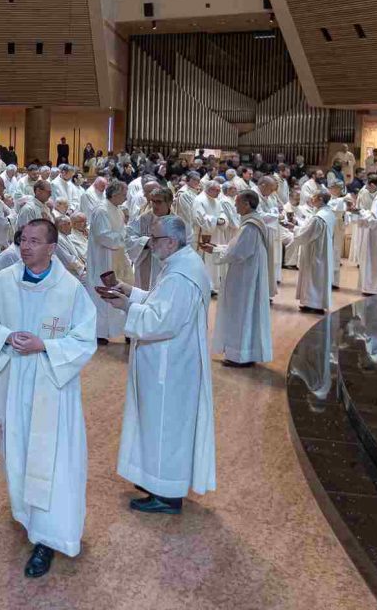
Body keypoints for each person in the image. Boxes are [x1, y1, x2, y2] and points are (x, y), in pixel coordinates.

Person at [0, 219, 98, 577]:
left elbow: (85, 340)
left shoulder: (70, 289)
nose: (26, 247)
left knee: (52, 458)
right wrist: (6, 337)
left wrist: (46, 345)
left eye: (35, 241)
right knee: (18, 449)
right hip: (13, 381)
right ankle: (26, 516)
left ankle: (49, 537)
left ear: (51, 247)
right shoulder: (4, 280)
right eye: (23, 240)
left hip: (52, 386)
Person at [103, 215, 215, 514]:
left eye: (155, 240)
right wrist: (129, 290)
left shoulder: (180, 276)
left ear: (172, 241)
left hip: (170, 364)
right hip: (174, 359)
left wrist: (126, 306)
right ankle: (158, 481)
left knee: (165, 425)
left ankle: (166, 494)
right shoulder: (183, 264)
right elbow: (159, 302)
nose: (150, 245)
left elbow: (160, 321)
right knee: (160, 424)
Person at [204, 191, 272, 367]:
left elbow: (238, 252)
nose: (235, 206)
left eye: (238, 203)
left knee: (241, 312)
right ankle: (246, 353)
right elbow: (237, 247)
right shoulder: (254, 223)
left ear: (247, 204)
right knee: (246, 312)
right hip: (248, 273)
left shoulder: (250, 226)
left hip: (244, 277)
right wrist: (219, 248)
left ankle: (239, 355)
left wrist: (216, 251)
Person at [84, 180, 129, 343]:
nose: (126, 198)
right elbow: (103, 236)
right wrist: (124, 238)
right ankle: (100, 332)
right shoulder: (101, 210)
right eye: (124, 194)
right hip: (103, 259)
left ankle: (119, 329)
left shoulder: (118, 210)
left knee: (117, 291)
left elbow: (122, 230)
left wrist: (124, 237)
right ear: (115, 194)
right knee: (101, 291)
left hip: (116, 257)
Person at [291, 189, 336, 313]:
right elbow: (308, 226)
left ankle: (314, 304)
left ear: (321, 199)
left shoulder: (319, 218)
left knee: (314, 276)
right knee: (317, 276)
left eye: (314, 197)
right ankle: (312, 302)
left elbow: (307, 233)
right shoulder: (328, 213)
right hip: (322, 249)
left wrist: (294, 229)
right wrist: (297, 225)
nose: (311, 199)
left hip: (316, 250)